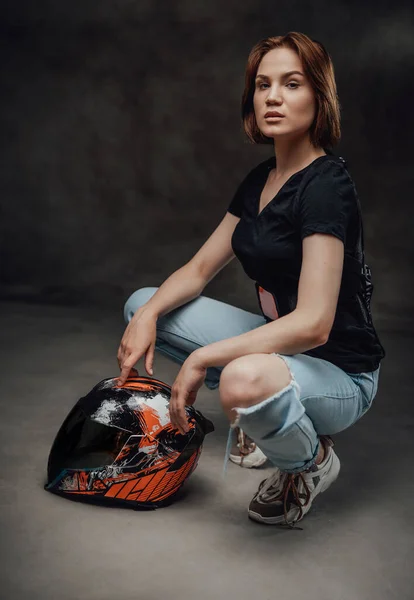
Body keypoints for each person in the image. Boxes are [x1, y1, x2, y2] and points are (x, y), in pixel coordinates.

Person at [116, 32, 386, 529]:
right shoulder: (260, 180)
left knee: (240, 378)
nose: (274, 97)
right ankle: (263, 405)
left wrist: (203, 358)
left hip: (340, 374)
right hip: (283, 354)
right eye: (263, 85)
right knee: (143, 303)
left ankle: (310, 464)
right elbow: (199, 271)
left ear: (319, 96)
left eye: (291, 83)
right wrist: (151, 315)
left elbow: (314, 325)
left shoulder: (327, 185)